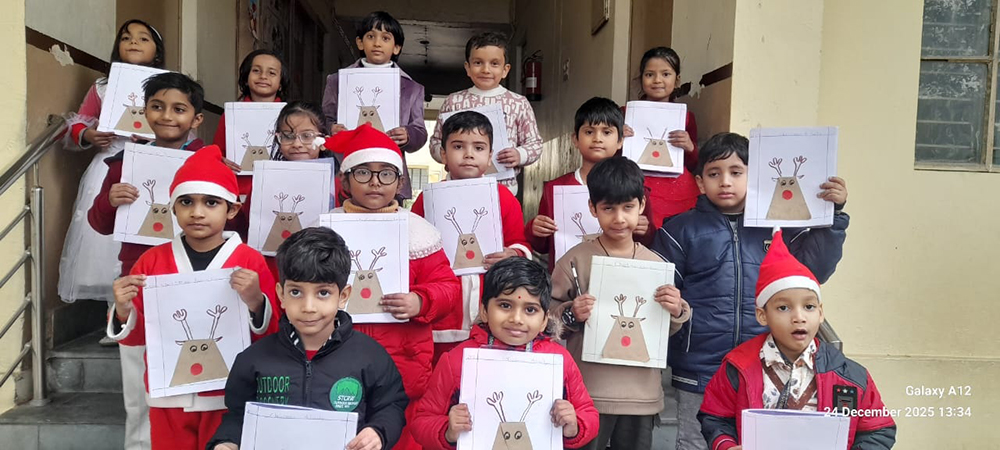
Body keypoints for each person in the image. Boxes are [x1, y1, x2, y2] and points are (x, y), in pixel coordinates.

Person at [651, 132, 851, 450]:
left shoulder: (780, 227)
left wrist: (834, 215)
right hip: (699, 366)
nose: (725, 181)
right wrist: (675, 312)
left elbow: (815, 271)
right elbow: (661, 294)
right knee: (696, 442)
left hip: (765, 364)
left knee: (760, 443)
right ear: (700, 182)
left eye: (736, 172)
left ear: (754, 176)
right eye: (714, 173)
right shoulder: (679, 230)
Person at [107, 146, 280, 449]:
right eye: (186, 201)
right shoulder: (151, 262)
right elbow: (136, 338)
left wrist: (256, 302)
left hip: (227, 395)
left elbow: (271, 334)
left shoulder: (249, 261)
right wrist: (123, 310)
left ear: (232, 209)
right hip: (169, 395)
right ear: (173, 208)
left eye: (211, 202)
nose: (197, 212)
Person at [87, 70, 207, 450]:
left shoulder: (208, 162)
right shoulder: (124, 164)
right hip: (138, 281)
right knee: (138, 383)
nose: (167, 116)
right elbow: (99, 223)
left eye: (179, 109)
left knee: (194, 384)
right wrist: (110, 201)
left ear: (196, 118)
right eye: (157, 106)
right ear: (144, 112)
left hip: (194, 280)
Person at [324, 124, 462, 449]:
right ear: (345, 180)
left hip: (404, 364)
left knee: (401, 435)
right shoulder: (326, 229)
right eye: (363, 173)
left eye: (386, 174)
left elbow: (448, 286)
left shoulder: (419, 233)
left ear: (400, 182)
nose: (375, 182)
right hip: (338, 360)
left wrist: (421, 301)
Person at [209, 227, 408, 450]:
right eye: (296, 292)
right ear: (281, 294)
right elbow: (237, 415)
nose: (308, 307)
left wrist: (378, 432)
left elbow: (391, 405)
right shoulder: (254, 358)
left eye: (323, 293)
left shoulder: (369, 355)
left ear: (343, 296)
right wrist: (227, 442)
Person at [697, 230, 896, 450]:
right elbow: (715, 418)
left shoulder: (850, 376)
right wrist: (726, 446)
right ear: (762, 315)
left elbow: (878, 431)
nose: (799, 317)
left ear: (820, 313)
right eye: (783, 308)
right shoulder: (737, 367)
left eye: (809, 306)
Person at [550, 157, 691, 450]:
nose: (618, 218)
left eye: (627, 207)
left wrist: (677, 310)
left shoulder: (656, 265)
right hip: (588, 392)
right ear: (592, 208)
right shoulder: (575, 260)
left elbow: (664, 329)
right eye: (608, 208)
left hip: (641, 394)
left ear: (641, 205)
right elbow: (546, 318)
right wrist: (571, 313)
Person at [411, 257, 600, 449]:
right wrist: (448, 431)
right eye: (505, 305)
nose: (516, 319)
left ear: (544, 320)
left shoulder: (558, 361)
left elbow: (588, 413)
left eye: (530, 309)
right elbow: (422, 420)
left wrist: (574, 426)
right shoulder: (458, 360)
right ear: (484, 311)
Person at [59, 18, 164, 324]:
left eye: (143, 38)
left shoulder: (167, 85)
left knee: (143, 235)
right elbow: (79, 122)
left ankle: (145, 313)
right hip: (109, 165)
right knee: (106, 243)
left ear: (157, 51)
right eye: (127, 38)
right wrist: (90, 135)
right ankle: (115, 314)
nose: (133, 43)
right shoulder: (103, 87)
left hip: (151, 166)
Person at [410, 111, 531, 359]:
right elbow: (413, 250)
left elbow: (520, 243)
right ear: (443, 154)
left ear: (490, 155)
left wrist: (512, 254)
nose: (468, 154)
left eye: (478, 147)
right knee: (440, 368)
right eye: (458, 146)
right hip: (443, 310)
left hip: (489, 302)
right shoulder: (427, 200)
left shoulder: (504, 198)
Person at [525, 97, 655, 272]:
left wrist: (646, 230)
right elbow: (543, 247)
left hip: (620, 276)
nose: (597, 139)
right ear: (575, 139)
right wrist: (535, 230)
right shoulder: (555, 189)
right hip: (570, 278)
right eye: (589, 132)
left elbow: (647, 243)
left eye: (606, 132)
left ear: (620, 141)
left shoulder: (636, 188)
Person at [321, 11, 427, 199]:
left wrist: (408, 134)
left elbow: (420, 131)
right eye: (371, 36)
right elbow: (323, 119)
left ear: (396, 48)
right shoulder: (338, 81)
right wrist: (331, 128)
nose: (377, 43)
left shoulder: (412, 88)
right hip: (347, 167)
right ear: (360, 43)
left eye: (385, 38)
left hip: (389, 173)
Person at [226, 101, 336, 280]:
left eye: (307, 136)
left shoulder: (336, 184)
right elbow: (245, 225)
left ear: (324, 141)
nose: (297, 144)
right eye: (288, 136)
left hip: (319, 271)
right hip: (271, 269)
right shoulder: (263, 181)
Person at [429, 31, 542, 195]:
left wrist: (520, 154)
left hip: (503, 188)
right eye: (478, 63)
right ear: (467, 67)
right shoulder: (454, 102)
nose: (486, 70)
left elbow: (535, 143)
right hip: (458, 187)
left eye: (494, 63)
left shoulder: (518, 103)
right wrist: (448, 156)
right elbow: (436, 142)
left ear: (505, 70)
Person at [623, 47, 701, 233]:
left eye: (665, 74)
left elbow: (693, 164)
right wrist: (618, 138)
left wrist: (690, 147)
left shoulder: (686, 117)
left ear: (677, 80)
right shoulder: (625, 114)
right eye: (650, 74)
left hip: (676, 188)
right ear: (641, 79)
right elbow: (612, 155)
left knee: (675, 232)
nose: (657, 80)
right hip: (636, 183)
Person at [211, 49, 290, 202]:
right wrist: (221, 161)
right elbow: (218, 151)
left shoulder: (291, 116)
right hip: (237, 190)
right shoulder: (231, 115)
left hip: (278, 190)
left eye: (272, 73)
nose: (263, 76)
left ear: (281, 84)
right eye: (256, 71)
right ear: (246, 79)